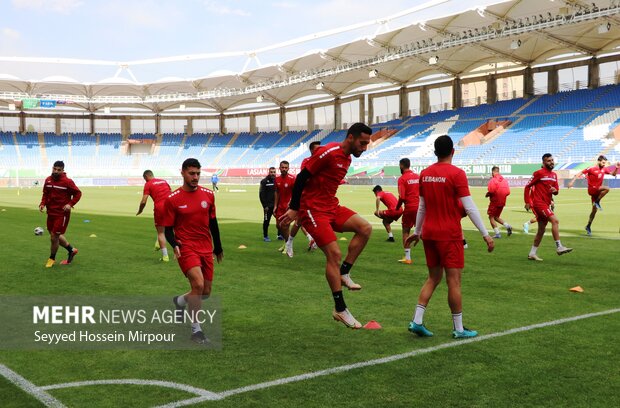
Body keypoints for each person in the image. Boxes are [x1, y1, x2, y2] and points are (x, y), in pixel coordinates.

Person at [279, 123, 373, 329]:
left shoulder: (347, 159)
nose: (364, 148)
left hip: (331, 206)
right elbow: (303, 177)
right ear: (350, 137)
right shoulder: (329, 151)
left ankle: (345, 272)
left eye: (367, 144)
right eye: (362, 143)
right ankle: (340, 309)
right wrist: (295, 207)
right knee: (334, 253)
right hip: (312, 209)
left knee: (365, 228)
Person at [406, 135, 494, 339]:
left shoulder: (425, 174)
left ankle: (417, 321)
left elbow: (422, 207)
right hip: (449, 234)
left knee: (433, 277)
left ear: (435, 152)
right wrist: (485, 234)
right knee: (453, 281)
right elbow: (470, 207)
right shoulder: (457, 174)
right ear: (453, 151)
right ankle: (459, 329)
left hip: (429, 233)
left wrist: (417, 232)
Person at [163, 158, 223, 344]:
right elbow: (167, 229)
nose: (195, 177)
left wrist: (218, 246)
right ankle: (196, 330)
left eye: (198, 173)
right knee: (197, 284)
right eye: (191, 173)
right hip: (186, 247)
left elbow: (213, 222)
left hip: (205, 247)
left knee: (205, 292)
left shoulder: (208, 195)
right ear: (182, 173)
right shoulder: (172, 199)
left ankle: (180, 301)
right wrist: (175, 245)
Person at [523, 153, 572, 261]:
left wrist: (555, 191)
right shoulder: (538, 173)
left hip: (547, 203)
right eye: (548, 161)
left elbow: (556, 191)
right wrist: (527, 201)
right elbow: (527, 186)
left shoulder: (554, 175)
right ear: (543, 162)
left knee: (541, 230)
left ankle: (532, 253)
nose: (551, 162)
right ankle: (559, 246)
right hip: (539, 203)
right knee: (555, 221)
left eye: (552, 160)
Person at [39, 160, 81, 267]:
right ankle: (71, 250)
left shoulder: (67, 182)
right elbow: (45, 193)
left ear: (63, 171)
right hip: (51, 212)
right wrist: (42, 204)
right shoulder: (48, 180)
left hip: (61, 214)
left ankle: (51, 258)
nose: (56, 171)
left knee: (54, 237)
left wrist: (70, 204)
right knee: (53, 235)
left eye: (59, 170)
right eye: (54, 169)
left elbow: (78, 193)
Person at [567, 155, 619, 236]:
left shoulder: (604, 169)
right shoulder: (591, 168)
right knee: (607, 188)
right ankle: (597, 202)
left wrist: (616, 168)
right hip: (592, 189)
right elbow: (580, 173)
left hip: (597, 192)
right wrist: (572, 182)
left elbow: (613, 174)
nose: (604, 164)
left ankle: (588, 226)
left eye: (605, 163)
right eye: (602, 162)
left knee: (594, 211)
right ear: (598, 161)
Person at [289, 141, 321, 252]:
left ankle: (312, 239)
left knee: (317, 220)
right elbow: (304, 177)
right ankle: (290, 243)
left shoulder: (323, 160)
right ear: (312, 150)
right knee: (299, 221)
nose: (320, 150)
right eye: (317, 149)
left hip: (318, 197)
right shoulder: (306, 161)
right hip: (305, 196)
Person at [136, 170, 172, 262]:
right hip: (172, 205)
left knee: (160, 232)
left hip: (160, 207)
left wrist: (140, 210)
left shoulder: (148, 184)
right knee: (172, 228)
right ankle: (159, 244)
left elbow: (144, 200)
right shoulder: (163, 181)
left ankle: (165, 256)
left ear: (146, 177)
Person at [396, 158, 419, 264]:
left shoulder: (402, 179)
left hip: (410, 208)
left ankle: (408, 258)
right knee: (424, 232)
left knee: (405, 231)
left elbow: (402, 197)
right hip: (421, 208)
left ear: (401, 165)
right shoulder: (417, 177)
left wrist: (397, 207)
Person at [274, 160, 296, 256]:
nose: (284, 169)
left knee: (285, 226)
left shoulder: (292, 178)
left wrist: (292, 203)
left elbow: (296, 193)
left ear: (288, 168)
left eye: (286, 168)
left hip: (289, 208)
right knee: (278, 226)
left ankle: (288, 247)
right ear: (279, 168)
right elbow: (277, 193)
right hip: (280, 207)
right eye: (282, 167)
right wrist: (275, 205)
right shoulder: (277, 179)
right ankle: (286, 243)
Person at [486, 166, 512, 238]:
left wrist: (488, 194)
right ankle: (508, 226)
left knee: (491, 217)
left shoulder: (493, 180)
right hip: (502, 201)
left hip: (495, 201)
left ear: (493, 172)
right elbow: (508, 192)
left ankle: (497, 234)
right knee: (496, 217)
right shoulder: (504, 180)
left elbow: (491, 190)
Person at [259, 167, 277, 242]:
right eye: (271, 172)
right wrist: (264, 205)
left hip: (276, 205)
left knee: (279, 221)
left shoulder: (277, 180)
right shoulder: (264, 181)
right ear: (269, 172)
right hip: (267, 206)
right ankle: (265, 236)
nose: (273, 173)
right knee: (266, 221)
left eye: (274, 172)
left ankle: (279, 235)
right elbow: (261, 194)